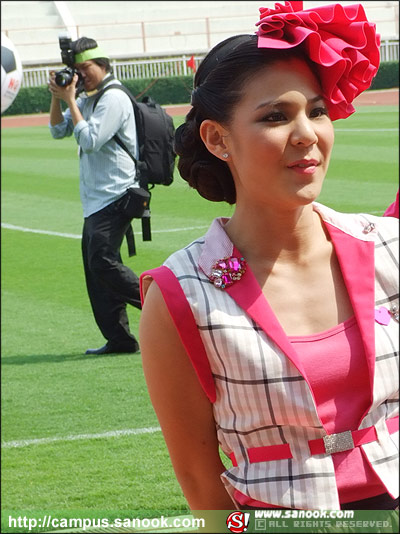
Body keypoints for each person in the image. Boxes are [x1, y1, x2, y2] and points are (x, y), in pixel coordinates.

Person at [138, 1, 399, 511]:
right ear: (218, 139)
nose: (307, 135)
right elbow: (199, 480)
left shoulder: (387, 246)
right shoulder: (181, 296)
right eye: (276, 116)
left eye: (317, 111)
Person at [48, 37, 143, 355]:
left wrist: (72, 100)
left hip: (117, 193)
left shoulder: (112, 98)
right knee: (96, 268)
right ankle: (119, 339)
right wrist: (58, 98)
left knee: (102, 263)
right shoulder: (90, 98)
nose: (80, 75)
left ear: (101, 64)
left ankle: (165, 306)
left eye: (85, 68)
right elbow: (58, 130)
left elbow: (89, 140)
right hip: (97, 199)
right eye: (75, 70)